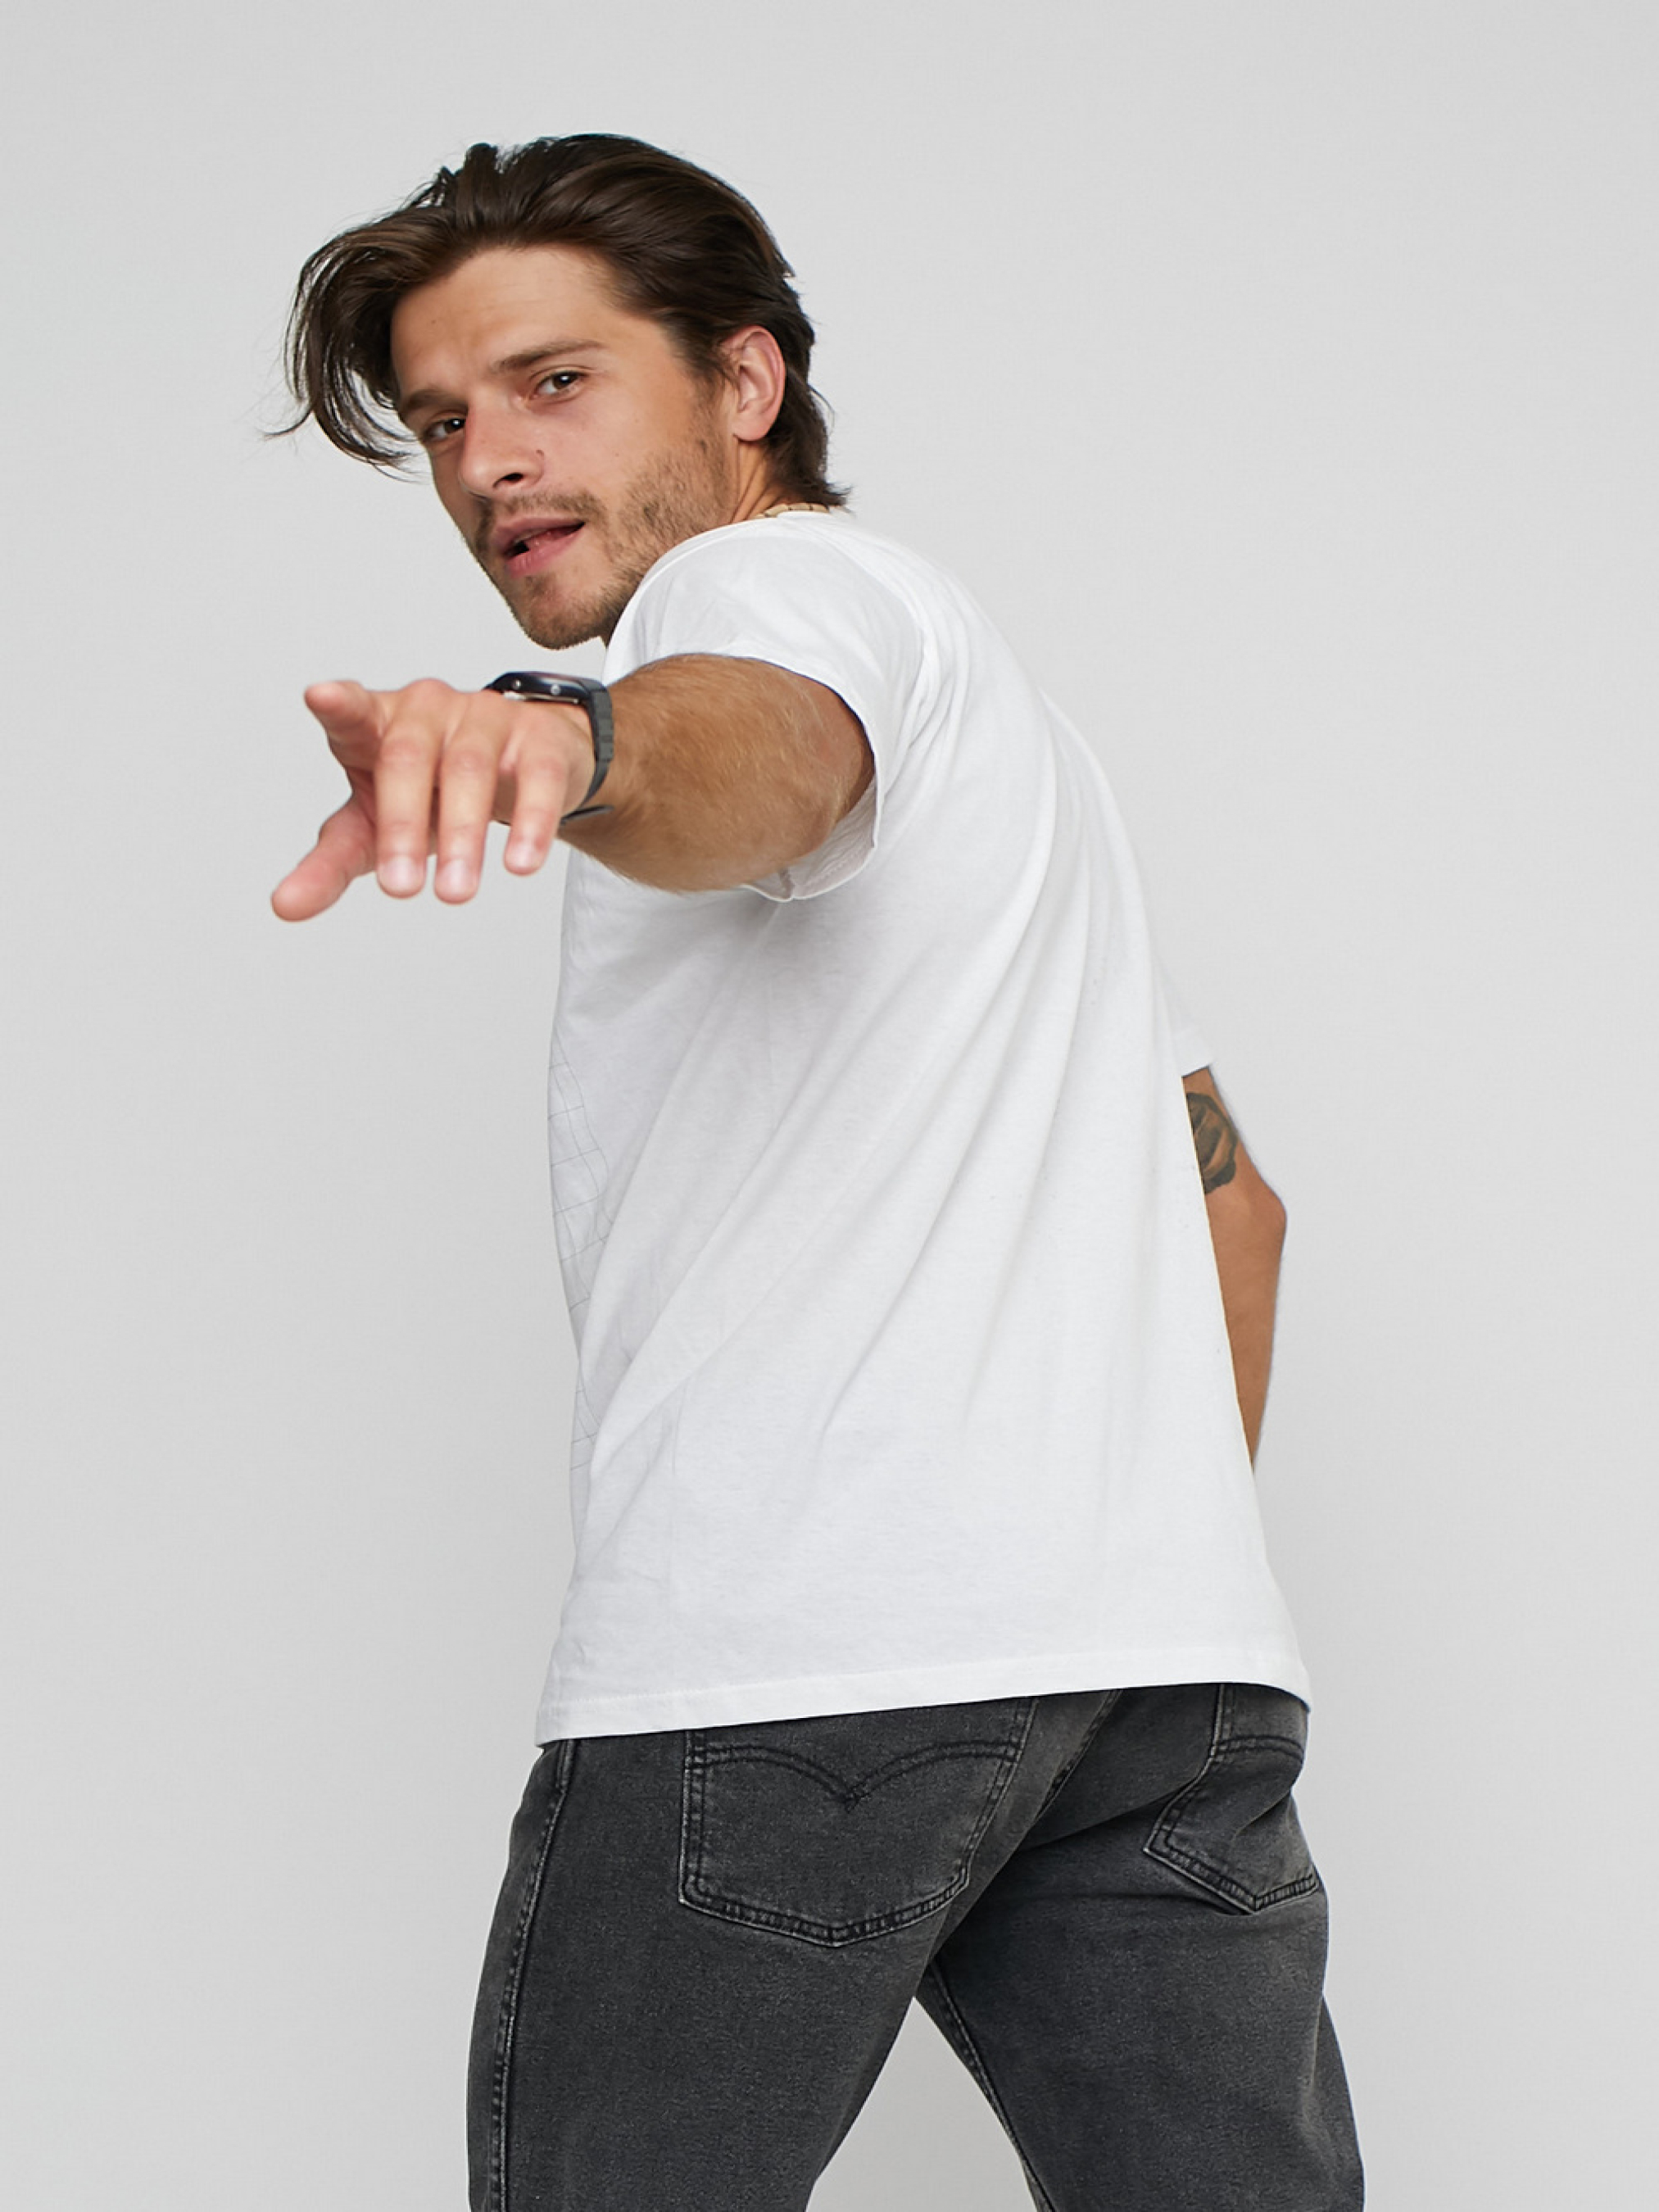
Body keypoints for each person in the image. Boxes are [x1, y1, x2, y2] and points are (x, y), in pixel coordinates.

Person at [272, 133, 1362, 2211]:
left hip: (796, 1666)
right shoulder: (1017, 748)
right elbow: (1231, 1200)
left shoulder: (763, 598)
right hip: (1161, 1684)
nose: (490, 462)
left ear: (744, 382)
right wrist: (1114, 1560)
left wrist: (576, 741)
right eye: (442, 420)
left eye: (554, 381)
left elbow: (750, 755)